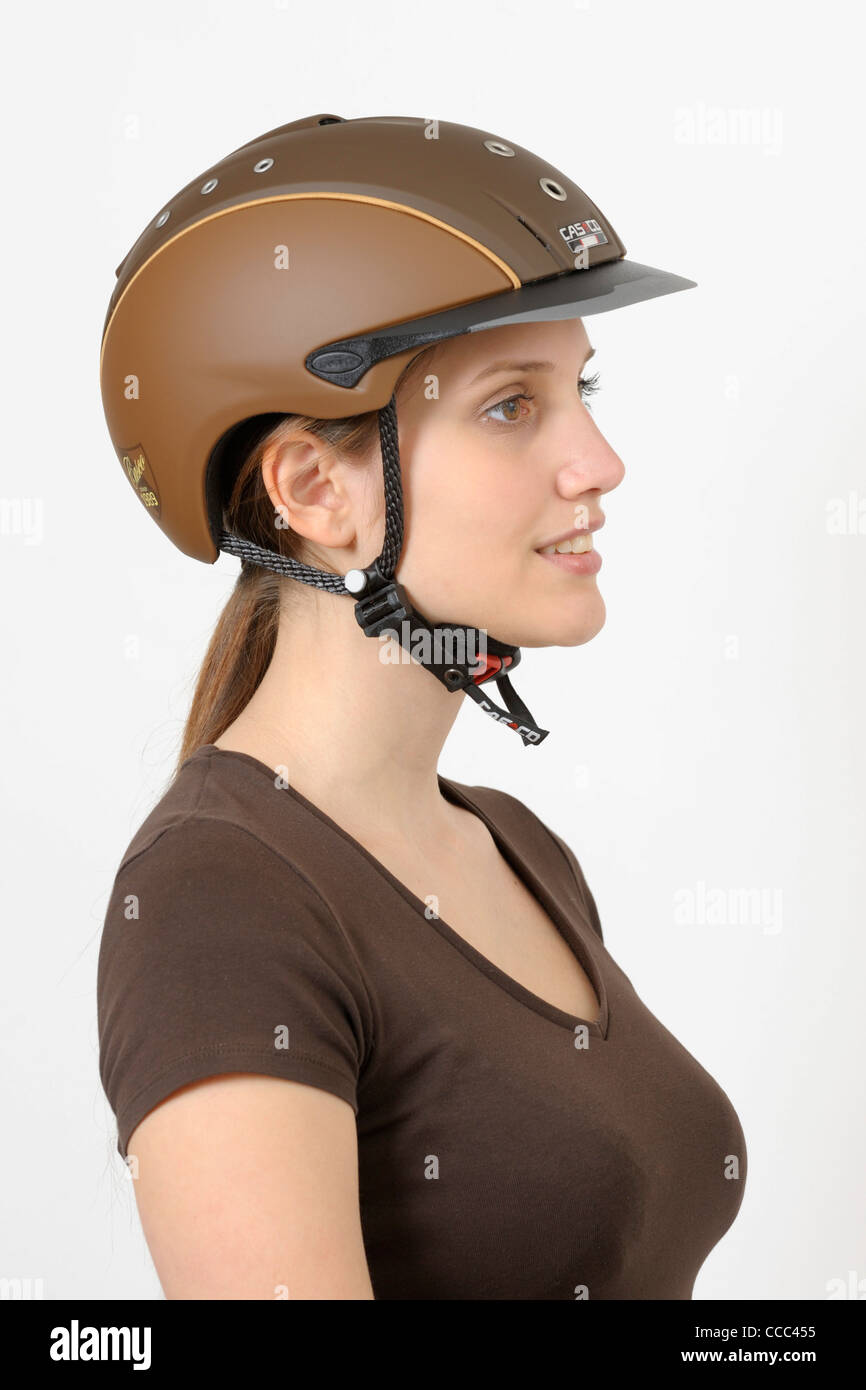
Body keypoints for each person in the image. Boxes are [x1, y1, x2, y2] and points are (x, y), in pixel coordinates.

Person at [97, 113, 747, 1299]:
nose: (599, 461)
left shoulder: (511, 846)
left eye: (580, 388)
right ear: (314, 491)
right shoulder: (218, 898)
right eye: (512, 405)